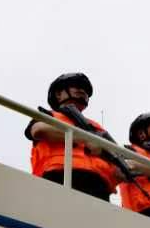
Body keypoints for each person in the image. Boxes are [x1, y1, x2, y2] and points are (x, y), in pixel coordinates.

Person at [26, 73, 119, 201]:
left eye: (86, 90)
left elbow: (116, 158)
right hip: (60, 177)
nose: (83, 91)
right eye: (77, 86)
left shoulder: (97, 127)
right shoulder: (49, 115)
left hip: (98, 186)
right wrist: (85, 139)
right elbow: (39, 130)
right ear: (58, 94)